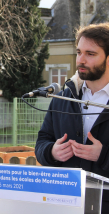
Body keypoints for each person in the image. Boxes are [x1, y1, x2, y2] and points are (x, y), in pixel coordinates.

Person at [35, 23, 109, 213]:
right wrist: (52, 152)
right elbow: (42, 141)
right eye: (79, 52)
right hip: (64, 203)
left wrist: (103, 156)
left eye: (90, 54)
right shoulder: (63, 97)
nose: (81, 60)